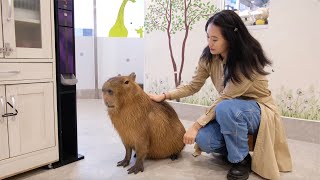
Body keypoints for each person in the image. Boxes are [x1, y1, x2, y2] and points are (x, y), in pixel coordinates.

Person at [149, 10, 292, 180]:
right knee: (204, 140)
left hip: (258, 112)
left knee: (225, 108)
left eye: (215, 39)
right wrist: (164, 95)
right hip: (229, 111)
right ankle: (238, 150)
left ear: (231, 38)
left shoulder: (248, 58)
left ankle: (240, 160)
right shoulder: (209, 57)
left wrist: (195, 126)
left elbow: (226, 98)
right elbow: (193, 85)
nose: (210, 43)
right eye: (208, 37)